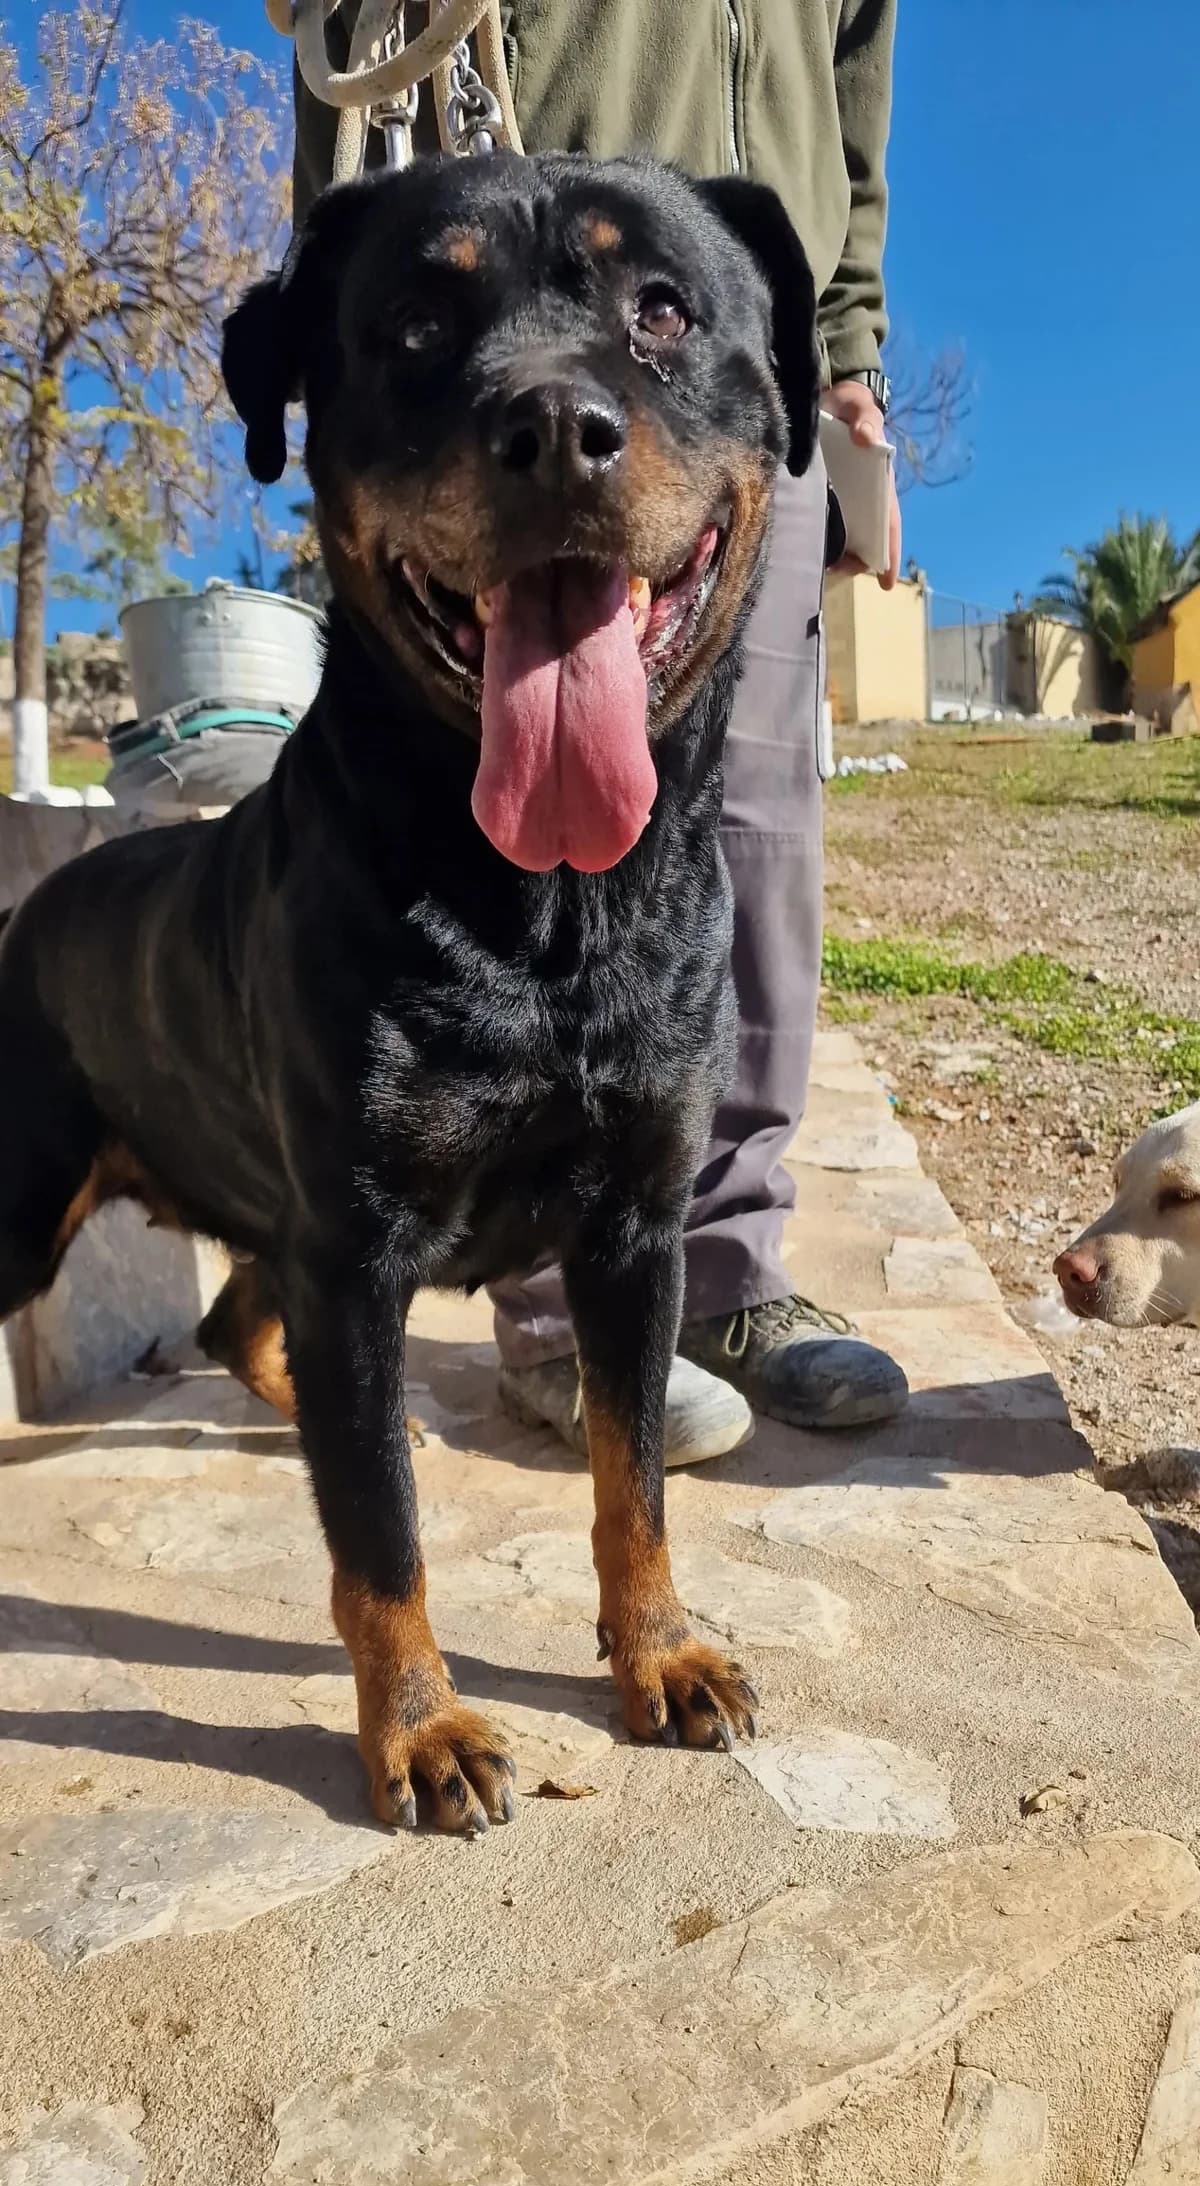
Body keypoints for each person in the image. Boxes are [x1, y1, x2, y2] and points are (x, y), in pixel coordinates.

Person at [292, 1, 909, 1466]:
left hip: (724, 332)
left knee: (761, 824)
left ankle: (728, 1268)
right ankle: (562, 1311)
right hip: (504, 221)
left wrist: (843, 339)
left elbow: (855, 71)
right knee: (480, 835)